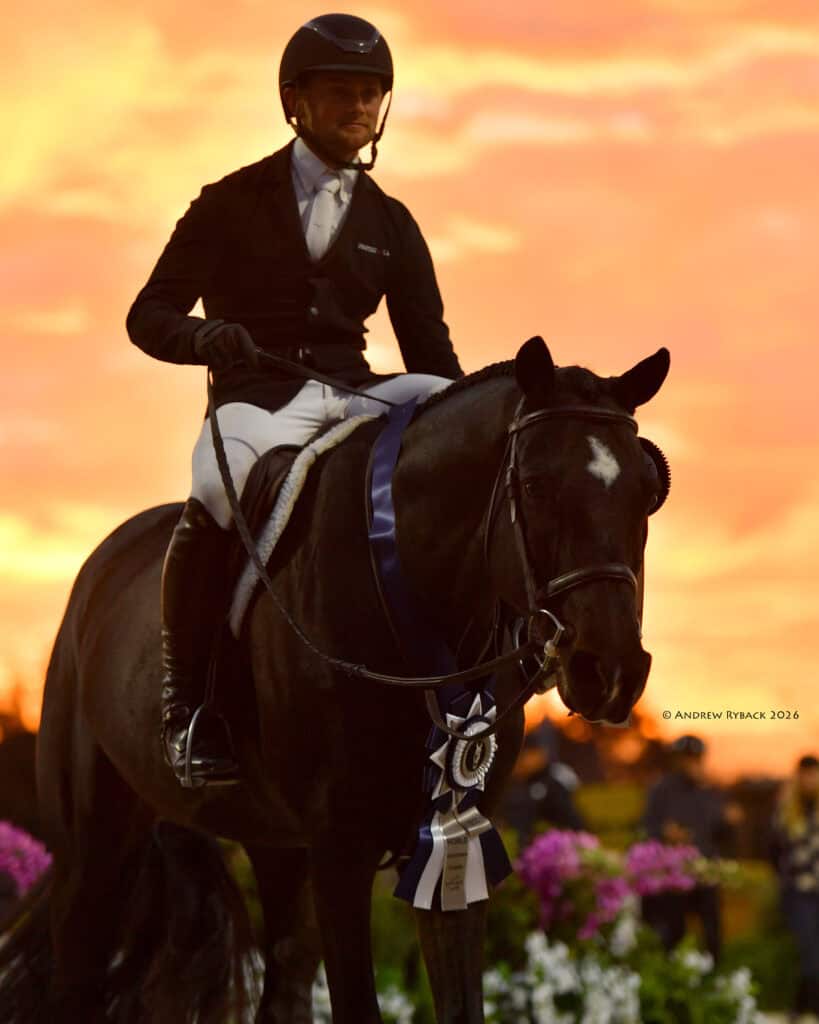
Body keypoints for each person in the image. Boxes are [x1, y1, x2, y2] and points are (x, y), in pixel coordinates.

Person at [126, 14, 463, 789]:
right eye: (341, 94)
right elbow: (148, 316)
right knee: (215, 490)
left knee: (462, 424)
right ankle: (191, 706)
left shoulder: (392, 222)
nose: (358, 110)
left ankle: (466, 679)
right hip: (256, 395)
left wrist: (469, 406)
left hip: (355, 390)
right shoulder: (227, 201)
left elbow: (431, 355)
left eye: (371, 95)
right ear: (295, 102)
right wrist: (206, 338)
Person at [639, 734, 742, 962]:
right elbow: (647, 827)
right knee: (674, 933)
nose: (690, 763)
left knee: (712, 933)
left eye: (695, 758)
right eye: (686, 758)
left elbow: (723, 835)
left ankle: (713, 976)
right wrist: (665, 833)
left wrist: (730, 822)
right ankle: (677, 979)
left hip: (706, 873)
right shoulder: (661, 790)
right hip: (674, 876)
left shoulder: (712, 790)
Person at [770, 754, 819, 1020]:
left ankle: (799, 1009)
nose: (810, 779)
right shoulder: (786, 809)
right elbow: (773, 850)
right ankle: (805, 1008)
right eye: (806, 773)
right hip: (798, 892)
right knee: (810, 952)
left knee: (814, 955)